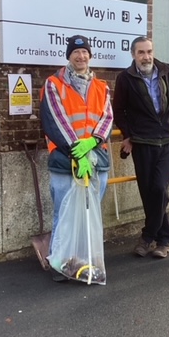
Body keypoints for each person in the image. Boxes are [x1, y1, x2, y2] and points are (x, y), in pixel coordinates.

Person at [40, 34, 113, 280]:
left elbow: (107, 118)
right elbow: (55, 119)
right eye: (76, 52)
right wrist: (77, 152)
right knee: (64, 212)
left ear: (90, 56)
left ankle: (83, 259)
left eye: (85, 53)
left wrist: (94, 141)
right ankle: (60, 263)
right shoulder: (54, 84)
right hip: (64, 160)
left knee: (89, 212)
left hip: (97, 160)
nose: (81, 57)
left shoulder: (102, 87)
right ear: (69, 56)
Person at [112, 36, 169, 258]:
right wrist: (128, 135)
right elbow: (119, 110)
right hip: (142, 142)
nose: (146, 56)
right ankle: (164, 240)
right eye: (141, 52)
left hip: (166, 140)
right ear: (133, 55)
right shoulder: (125, 78)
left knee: (160, 189)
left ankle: (147, 236)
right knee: (148, 193)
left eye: (149, 51)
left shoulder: (166, 71)